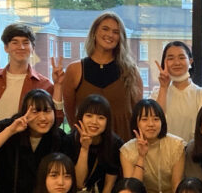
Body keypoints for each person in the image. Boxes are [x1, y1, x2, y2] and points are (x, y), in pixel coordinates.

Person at [0, 89, 80, 193]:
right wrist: (10, 131)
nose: (43, 118)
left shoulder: (59, 138)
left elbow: (77, 181)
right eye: (35, 112)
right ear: (24, 112)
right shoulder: (8, 127)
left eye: (47, 111)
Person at [61, 11, 143, 141]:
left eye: (116, 32)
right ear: (94, 32)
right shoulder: (74, 70)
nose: (110, 35)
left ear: (120, 38)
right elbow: (70, 112)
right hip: (86, 144)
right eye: (105, 29)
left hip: (123, 145)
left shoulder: (131, 71)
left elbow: (138, 112)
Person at [119, 98, 185, 193]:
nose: (151, 124)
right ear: (136, 123)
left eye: (156, 119)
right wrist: (141, 156)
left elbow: (177, 185)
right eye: (144, 119)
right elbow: (132, 190)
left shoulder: (176, 145)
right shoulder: (127, 150)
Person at [0, 23, 57, 124]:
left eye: (26, 43)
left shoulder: (44, 85)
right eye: (15, 42)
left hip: (23, 134)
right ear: (6, 47)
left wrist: (58, 86)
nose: (21, 47)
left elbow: (55, 121)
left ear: (33, 48)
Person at [73, 94, 123, 193]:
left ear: (107, 121)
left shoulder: (114, 144)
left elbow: (108, 186)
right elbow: (79, 183)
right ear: (81, 117)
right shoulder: (70, 140)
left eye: (101, 117)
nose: (94, 122)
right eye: (89, 116)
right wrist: (84, 149)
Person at [153, 40, 202, 142]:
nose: (177, 62)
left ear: (190, 61)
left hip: (193, 150)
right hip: (163, 150)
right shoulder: (157, 93)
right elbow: (154, 123)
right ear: (164, 62)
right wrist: (163, 88)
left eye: (181, 57)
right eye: (170, 58)